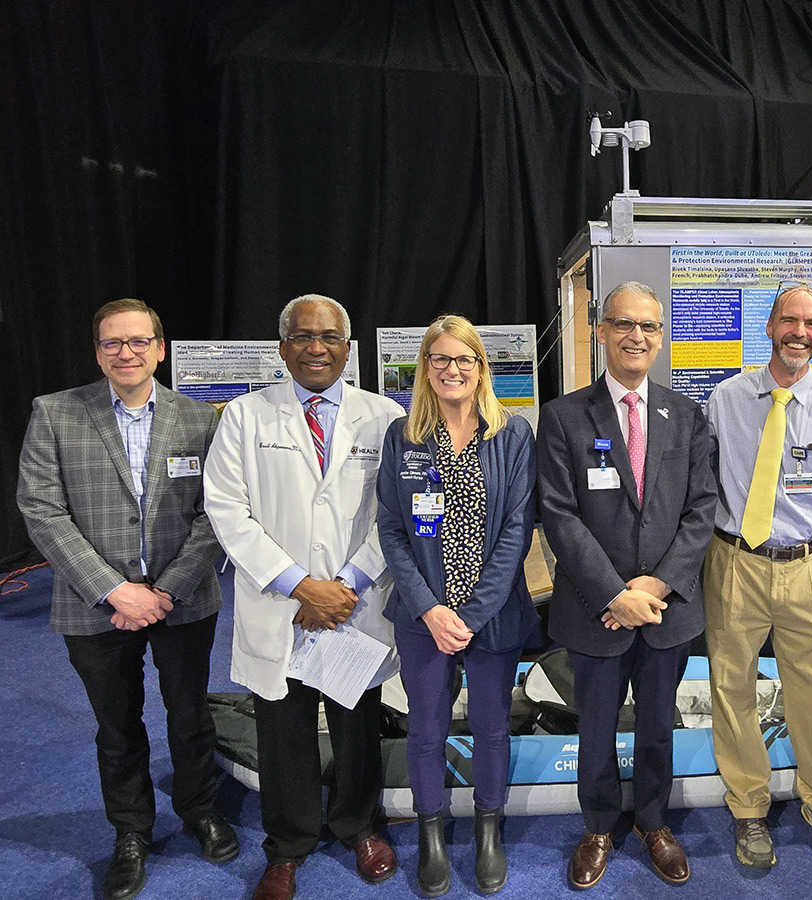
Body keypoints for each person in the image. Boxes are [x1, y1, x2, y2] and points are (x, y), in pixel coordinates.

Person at [17, 298, 238, 900]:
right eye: (112, 343)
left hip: (182, 602)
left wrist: (162, 592)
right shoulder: (56, 413)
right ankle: (131, 832)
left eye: (139, 342)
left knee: (190, 717)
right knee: (116, 727)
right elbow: (41, 510)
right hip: (94, 605)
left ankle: (199, 811)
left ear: (160, 349)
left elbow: (215, 515)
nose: (126, 353)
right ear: (97, 352)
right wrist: (115, 590)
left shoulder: (201, 420)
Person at [203, 294, 403, 900]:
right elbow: (226, 510)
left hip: (354, 601)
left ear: (348, 347)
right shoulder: (244, 416)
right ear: (283, 346)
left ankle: (359, 825)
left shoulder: (384, 415)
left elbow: (393, 514)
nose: (317, 348)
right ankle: (288, 844)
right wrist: (299, 585)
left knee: (356, 720)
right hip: (281, 602)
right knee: (282, 725)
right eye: (303, 336)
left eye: (331, 337)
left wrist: (348, 585)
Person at [538, 281, 717, 889]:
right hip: (596, 611)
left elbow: (702, 510)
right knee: (595, 725)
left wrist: (657, 587)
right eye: (622, 324)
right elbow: (558, 515)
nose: (635, 336)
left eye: (647, 326)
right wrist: (615, 594)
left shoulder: (686, 413)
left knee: (659, 724)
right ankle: (598, 827)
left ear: (660, 337)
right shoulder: (563, 417)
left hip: (666, 612)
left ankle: (653, 822)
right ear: (600, 331)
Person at [704, 282, 812, 868]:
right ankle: (749, 808)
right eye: (789, 320)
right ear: (769, 326)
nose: (800, 332)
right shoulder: (725, 398)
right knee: (731, 691)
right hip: (733, 563)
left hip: (809, 568)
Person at [376, 315, 538, 896]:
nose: (452, 370)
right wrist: (429, 610)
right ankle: (432, 833)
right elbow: (391, 530)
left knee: (493, 727)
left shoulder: (513, 434)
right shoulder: (404, 437)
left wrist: (468, 616)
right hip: (423, 618)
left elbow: (518, 530)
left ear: (480, 368)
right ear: (425, 369)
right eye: (440, 360)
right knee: (426, 728)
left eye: (463, 359)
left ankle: (488, 830)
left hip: (492, 615)